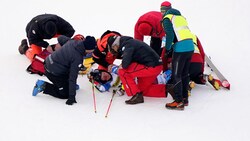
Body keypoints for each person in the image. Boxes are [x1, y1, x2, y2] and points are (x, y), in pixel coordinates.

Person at [32, 35, 96, 105]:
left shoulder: (73, 42)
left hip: (48, 62)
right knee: (65, 94)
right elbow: (73, 77)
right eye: (93, 49)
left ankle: (68, 86)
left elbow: (60, 38)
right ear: (89, 49)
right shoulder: (77, 58)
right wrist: (71, 96)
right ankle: (43, 86)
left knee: (69, 69)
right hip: (52, 73)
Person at [107, 35, 163, 104]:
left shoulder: (127, 45)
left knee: (122, 72)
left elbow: (125, 65)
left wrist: (117, 67)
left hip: (151, 67)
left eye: (113, 48)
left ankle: (136, 95)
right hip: (157, 66)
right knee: (142, 90)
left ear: (115, 45)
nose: (114, 50)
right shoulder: (130, 42)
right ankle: (168, 89)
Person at [161, 1, 194, 110]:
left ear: (165, 11)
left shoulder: (167, 18)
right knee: (184, 73)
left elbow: (169, 35)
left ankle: (178, 102)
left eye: (162, 10)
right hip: (190, 46)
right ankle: (185, 98)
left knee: (176, 75)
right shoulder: (180, 17)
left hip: (181, 48)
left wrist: (167, 49)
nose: (162, 12)